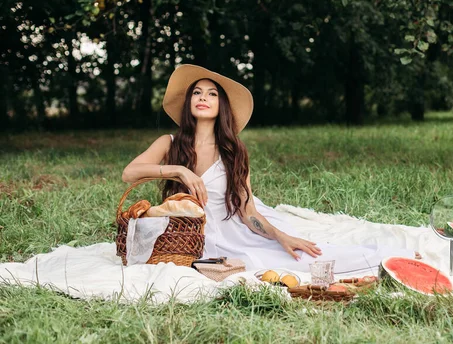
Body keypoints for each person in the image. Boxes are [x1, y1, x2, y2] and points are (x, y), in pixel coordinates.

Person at [122, 65, 417, 273]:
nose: (203, 98)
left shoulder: (234, 150)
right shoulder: (169, 142)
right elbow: (130, 173)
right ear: (189, 103)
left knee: (298, 258)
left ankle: (391, 256)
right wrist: (178, 171)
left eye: (212, 94)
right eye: (197, 93)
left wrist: (278, 236)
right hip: (187, 235)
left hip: (231, 230)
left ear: (221, 106)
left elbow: (249, 212)